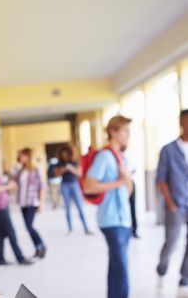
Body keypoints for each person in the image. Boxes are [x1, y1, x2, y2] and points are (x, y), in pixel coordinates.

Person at [84, 115, 133, 298]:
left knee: (116, 266)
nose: (128, 135)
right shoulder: (104, 156)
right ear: (113, 131)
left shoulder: (121, 157)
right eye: (125, 131)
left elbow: (127, 191)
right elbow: (89, 185)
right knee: (121, 268)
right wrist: (118, 181)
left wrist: (126, 179)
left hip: (124, 219)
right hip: (111, 220)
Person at [156, 109, 188, 296]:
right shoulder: (168, 150)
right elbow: (161, 178)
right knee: (171, 242)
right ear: (181, 123)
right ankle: (162, 266)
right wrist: (169, 202)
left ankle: (185, 276)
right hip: (175, 203)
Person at [0, 144, 32, 266]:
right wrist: (8, 186)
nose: (0, 153)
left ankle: (0, 259)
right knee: (11, 232)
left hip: (0, 203)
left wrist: (5, 184)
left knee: (1, 232)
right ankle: (20, 258)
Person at [15, 148, 46, 258]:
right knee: (28, 227)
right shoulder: (21, 170)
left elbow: (42, 187)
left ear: (28, 156)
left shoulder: (36, 169)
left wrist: (41, 203)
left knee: (29, 227)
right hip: (23, 202)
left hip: (32, 202)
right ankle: (38, 248)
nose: (20, 157)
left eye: (22, 155)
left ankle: (41, 246)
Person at [55, 145, 92, 235]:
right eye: (63, 153)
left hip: (74, 184)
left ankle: (86, 228)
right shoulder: (60, 163)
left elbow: (79, 173)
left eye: (66, 153)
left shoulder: (75, 162)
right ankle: (70, 229)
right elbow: (56, 174)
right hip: (64, 185)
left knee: (80, 207)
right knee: (67, 208)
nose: (64, 155)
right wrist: (63, 169)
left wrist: (71, 168)